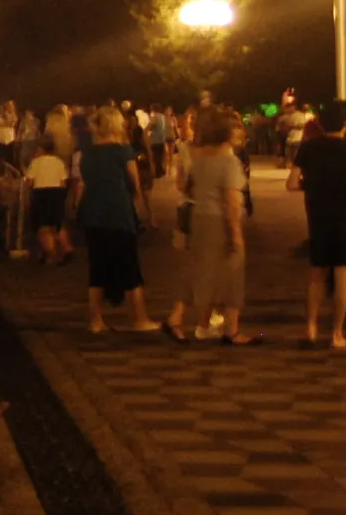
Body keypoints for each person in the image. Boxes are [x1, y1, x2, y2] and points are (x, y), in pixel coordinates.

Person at [67, 106, 159, 334]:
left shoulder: (88, 153)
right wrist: (138, 205)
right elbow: (134, 183)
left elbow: (85, 181)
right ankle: (139, 318)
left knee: (97, 268)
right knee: (129, 267)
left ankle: (96, 320)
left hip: (92, 213)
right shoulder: (122, 151)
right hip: (117, 212)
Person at [167, 104, 253, 344]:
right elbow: (231, 202)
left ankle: (186, 319)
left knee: (201, 270)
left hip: (200, 216)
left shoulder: (200, 159)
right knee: (232, 273)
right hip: (220, 220)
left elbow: (187, 186)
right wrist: (235, 233)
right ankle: (232, 329)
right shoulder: (229, 162)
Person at [291, 98, 346, 349]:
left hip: (317, 217)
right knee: (343, 276)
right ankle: (337, 333)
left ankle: (311, 329)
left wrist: (314, 185)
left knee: (316, 276)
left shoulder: (307, 148)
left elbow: (292, 183)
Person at [24, 135, 71, 265]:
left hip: (41, 193)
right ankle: (66, 248)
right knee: (57, 223)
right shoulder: (59, 162)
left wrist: (27, 195)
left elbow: (29, 182)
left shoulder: (36, 162)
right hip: (57, 193)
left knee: (43, 227)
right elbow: (63, 182)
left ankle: (51, 254)